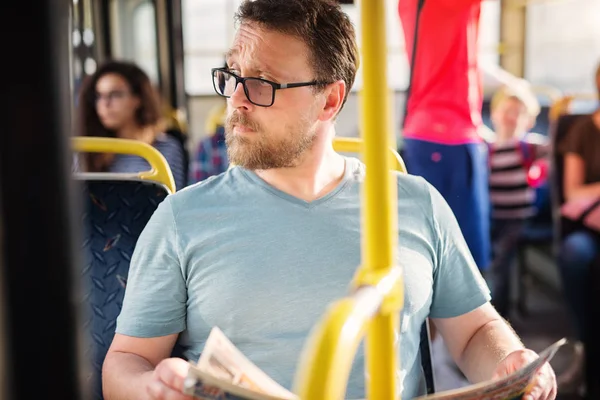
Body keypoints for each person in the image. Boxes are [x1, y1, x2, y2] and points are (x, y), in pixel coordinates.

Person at [102, 1, 557, 400]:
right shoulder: (183, 218)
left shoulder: (416, 203)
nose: (236, 100)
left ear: (329, 100)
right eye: (232, 76)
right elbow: (127, 360)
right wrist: (148, 388)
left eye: (262, 83)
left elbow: (475, 330)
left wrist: (508, 361)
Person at [555, 61, 600, 391]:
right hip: (589, 227)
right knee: (574, 254)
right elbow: (573, 191)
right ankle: (585, 344)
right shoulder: (582, 130)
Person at [485, 88, 548, 319]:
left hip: (520, 217)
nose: (511, 117)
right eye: (507, 111)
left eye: (518, 113)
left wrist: (543, 171)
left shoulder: (529, 146)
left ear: (529, 121)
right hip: (495, 216)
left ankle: (500, 314)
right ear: (494, 114)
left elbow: (556, 149)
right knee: (489, 255)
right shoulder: (486, 148)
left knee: (501, 257)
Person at [76, 60, 187, 191]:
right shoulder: (86, 149)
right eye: (98, 96)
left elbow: (170, 199)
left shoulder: (163, 148)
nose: (105, 104)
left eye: (115, 94)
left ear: (138, 99)